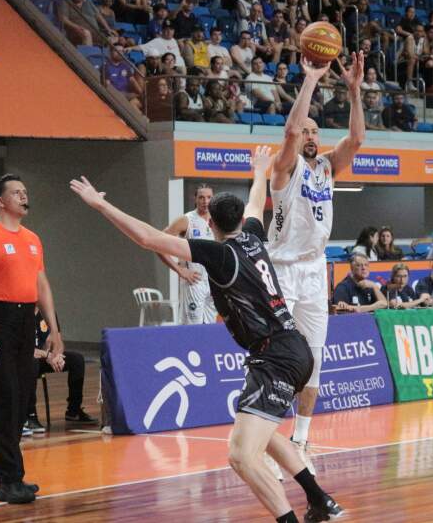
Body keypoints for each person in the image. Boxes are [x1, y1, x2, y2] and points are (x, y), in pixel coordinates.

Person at [70, 147, 345, 523]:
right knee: (260, 430)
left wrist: (101, 206)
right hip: (292, 347)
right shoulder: (253, 234)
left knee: (241, 456)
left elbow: (149, 239)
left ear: (211, 224)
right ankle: (320, 500)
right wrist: (260, 170)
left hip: (276, 356)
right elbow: (255, 202)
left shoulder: (220, 254)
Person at [266, 51, 365, 474]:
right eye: (306, 129)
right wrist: (310, 80)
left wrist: (355, 92)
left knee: (315, 358)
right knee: (276, 356)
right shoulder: (283, 169)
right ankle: (262, 434)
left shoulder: (326, 166)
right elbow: (289, 128)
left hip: (314, 268)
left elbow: (356, 140)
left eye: (315, 130)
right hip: (282, 268)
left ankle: (301, 439)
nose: (310, 134)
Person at [0, 174, 64, 504]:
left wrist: (54, 331)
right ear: (0, 201)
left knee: (21, 399)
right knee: (4, 399)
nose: (23, 196)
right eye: (16, 193)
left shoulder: (32, 238)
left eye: (25, 192)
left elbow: (42, 286)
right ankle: (11, 480)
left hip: (24, 320)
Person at [26, 310, 94, 433]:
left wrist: (57, 355)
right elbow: (22, 349)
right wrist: (47, 355)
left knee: (77, 360)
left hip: (45, 357)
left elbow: (58, 342)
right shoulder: (20, 310)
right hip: (24, 359)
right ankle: (30, 415)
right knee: (32, 363)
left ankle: (74, 410)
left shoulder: (47, 312)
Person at [157, 184, 217, 324]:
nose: (205, 201)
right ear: (195, 198)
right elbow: (158, 244)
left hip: (214, 283)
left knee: (210, 328)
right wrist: (179, 270)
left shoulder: (218, 220)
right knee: (192, 327)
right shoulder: (186, 220)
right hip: (194, 281)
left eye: (209, 197)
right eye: (201, 197)